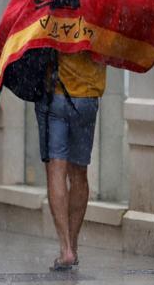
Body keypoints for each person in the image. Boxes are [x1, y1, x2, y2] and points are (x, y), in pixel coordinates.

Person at [36, 50, 105, 271]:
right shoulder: (98, 17)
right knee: (79, 173)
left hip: (54, 96)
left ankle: (65, 248)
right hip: (86, 97)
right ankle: (73, 245)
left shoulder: (48, 16)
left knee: (56, 169)